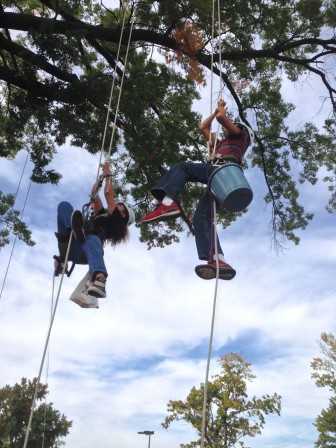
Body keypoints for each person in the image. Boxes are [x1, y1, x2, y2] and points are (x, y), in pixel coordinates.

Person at [140, 100, 253, 280]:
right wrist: (215, 112)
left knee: (183, 168)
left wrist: (221, 109)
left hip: (223, 171)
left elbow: (222, 118)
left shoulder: (240, 135)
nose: (224, 130)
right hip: (217, 178)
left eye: (228, 128)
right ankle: (218, 260)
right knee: (200, 218)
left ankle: (168, 204)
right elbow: (202, 127)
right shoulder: (219, 143)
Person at [55, 162, 135, 298]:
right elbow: (94, 194)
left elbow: (108, 194)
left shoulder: (117, 221)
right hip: (70, 244)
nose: (117, 207)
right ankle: (73, 233)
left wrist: (108, 173)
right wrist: (100, 179)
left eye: (120, 208)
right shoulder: (101, 214)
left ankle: (100, 279)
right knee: (64, 205)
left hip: (87, 249)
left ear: (123, 215)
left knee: (92, 239)